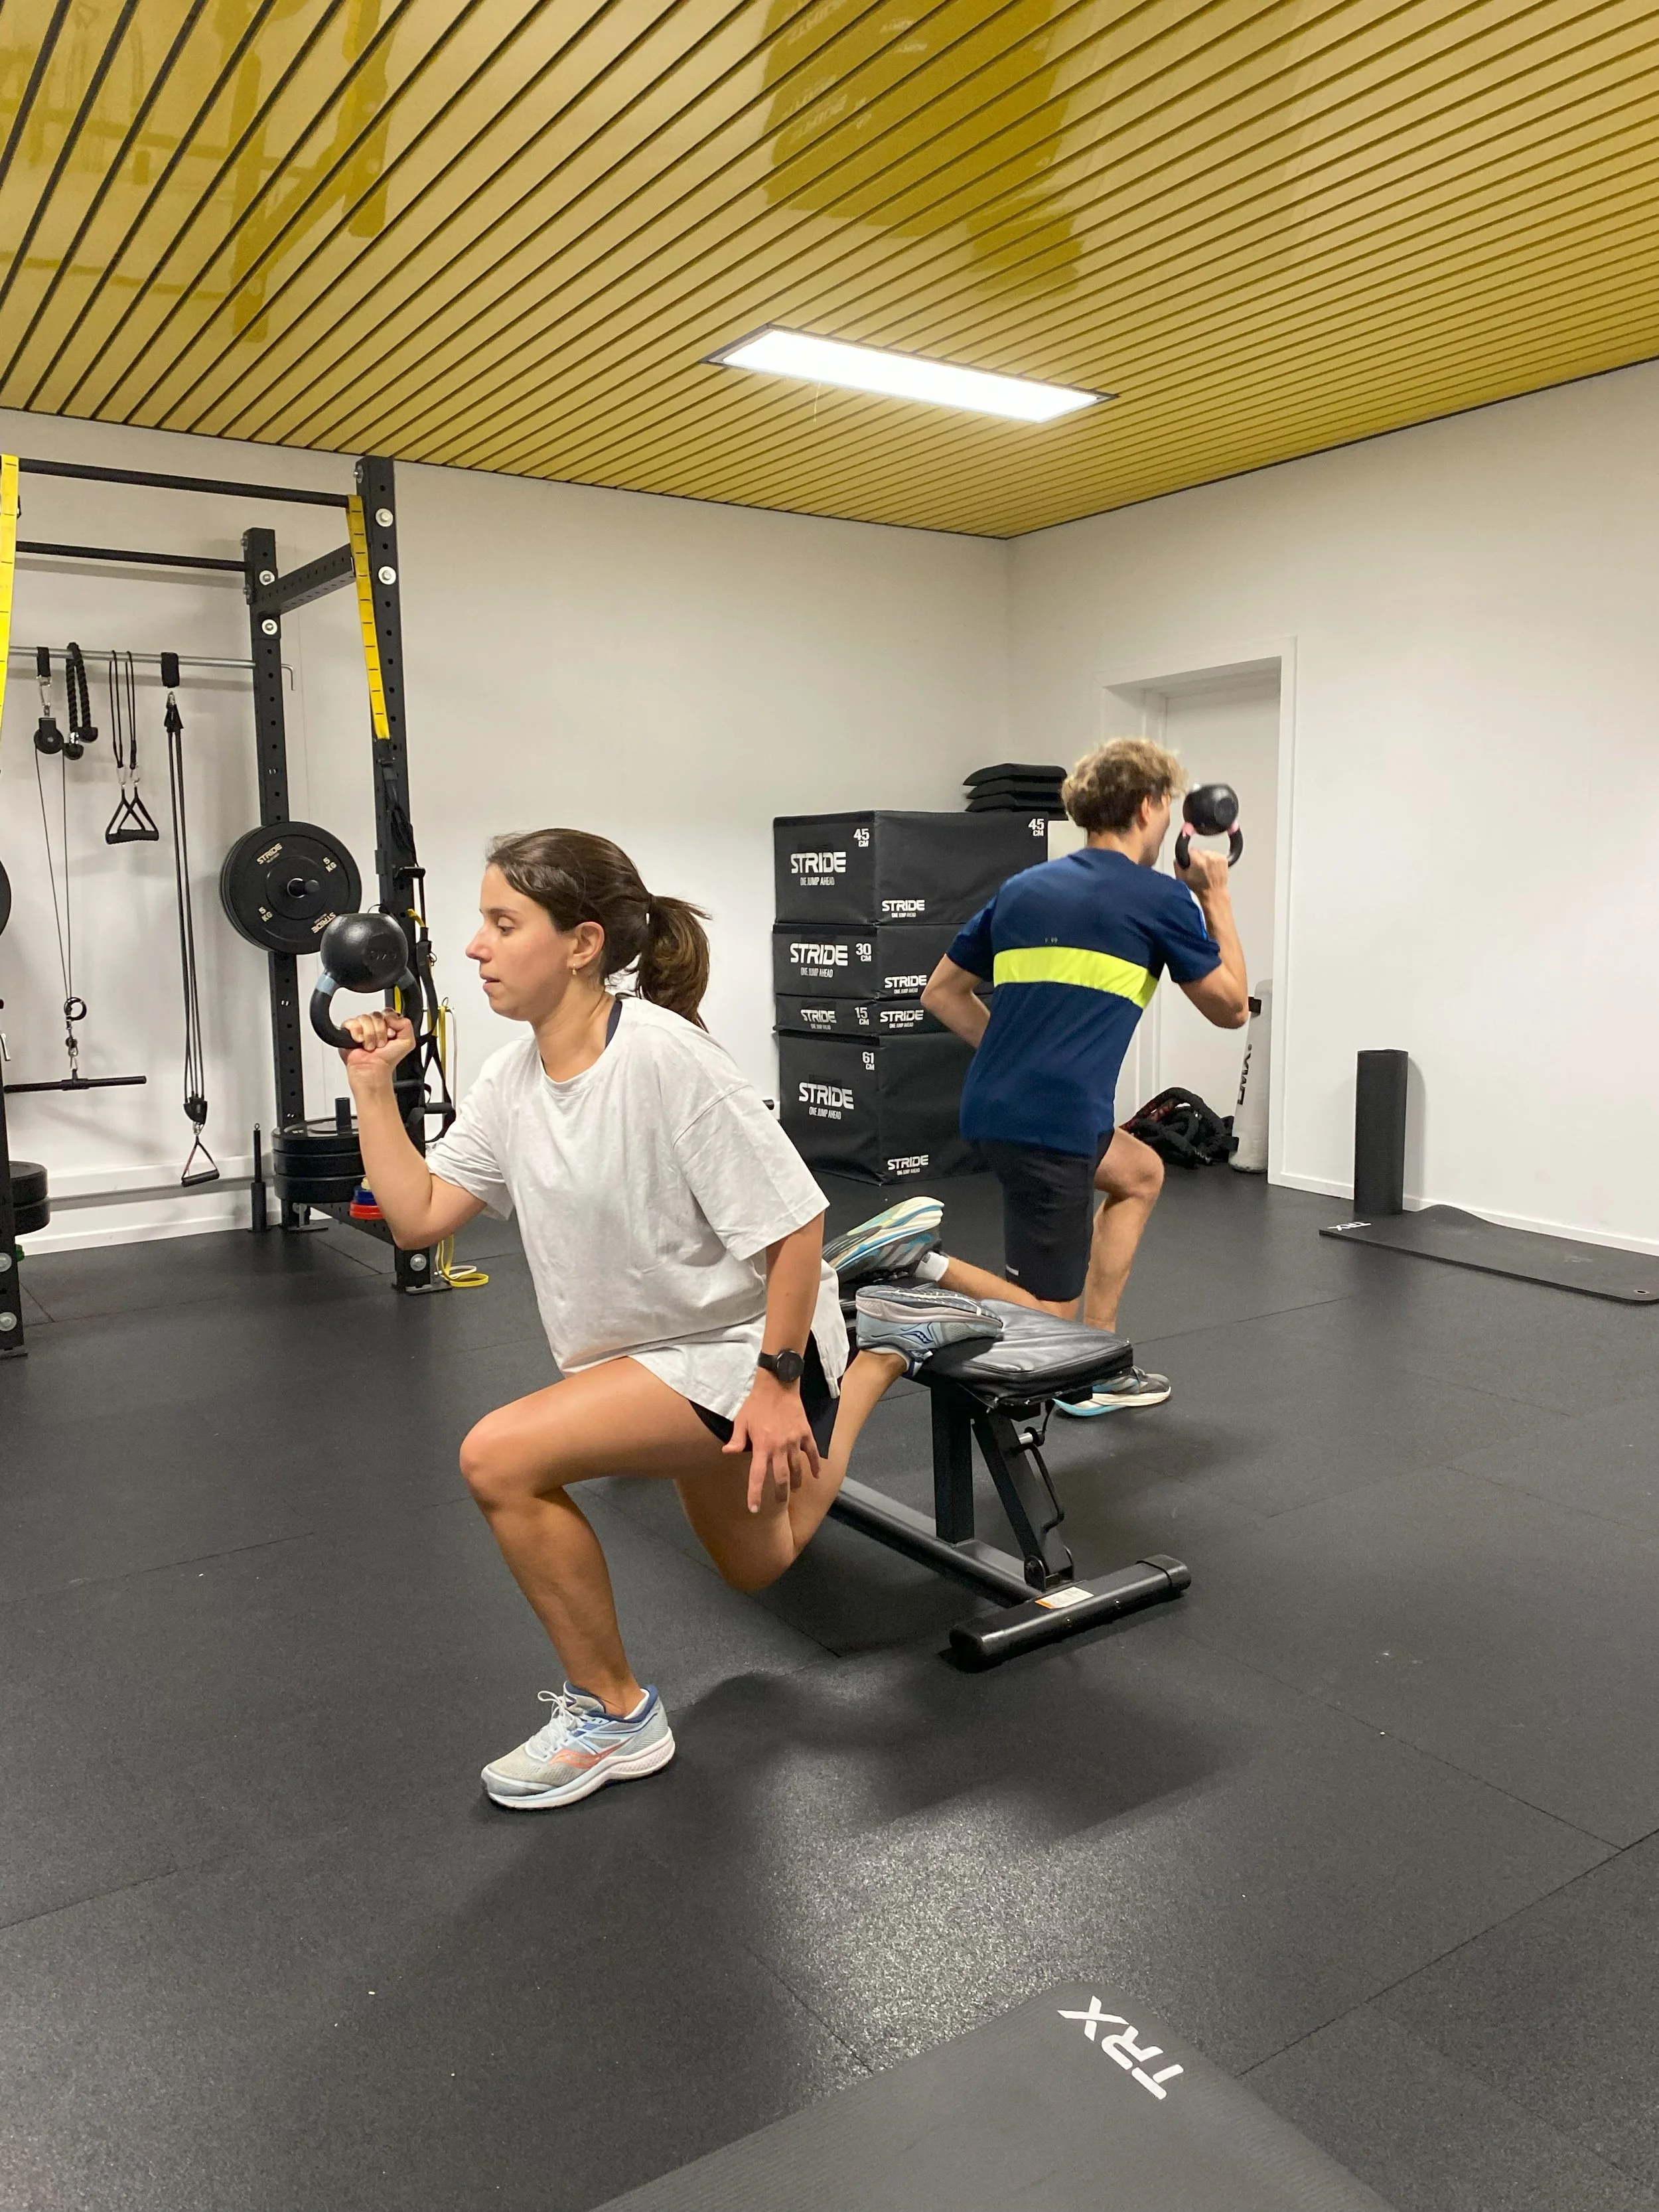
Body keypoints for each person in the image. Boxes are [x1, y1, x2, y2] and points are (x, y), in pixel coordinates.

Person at [338, 828, 949, 1813]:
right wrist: (373, 1089)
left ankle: (615, 1715)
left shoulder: (668, 1060)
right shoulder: (511, 1079)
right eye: (482, 923)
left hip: (733, 1346)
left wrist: (778, 1381)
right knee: (762, 1563)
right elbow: (415, 1220)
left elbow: (799, 1228)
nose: (475, 947)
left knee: (499, 1457)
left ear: (581, 943)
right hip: (645, 1354)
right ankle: (878, 1355)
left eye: (503, 923)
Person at [918, 738, 1250, 1416]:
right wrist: (1215, 898)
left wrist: (1010, 1052)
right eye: (1165, 811)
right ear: (1149, 806)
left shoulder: (1022, 888)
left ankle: (1094, 1359)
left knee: (1139, 1173)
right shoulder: (1159, 898)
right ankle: (917, 1269)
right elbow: (1231, 1008)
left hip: (1004, 1105)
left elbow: (942, 993)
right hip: (1052, 1122)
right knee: (1043, 1313)